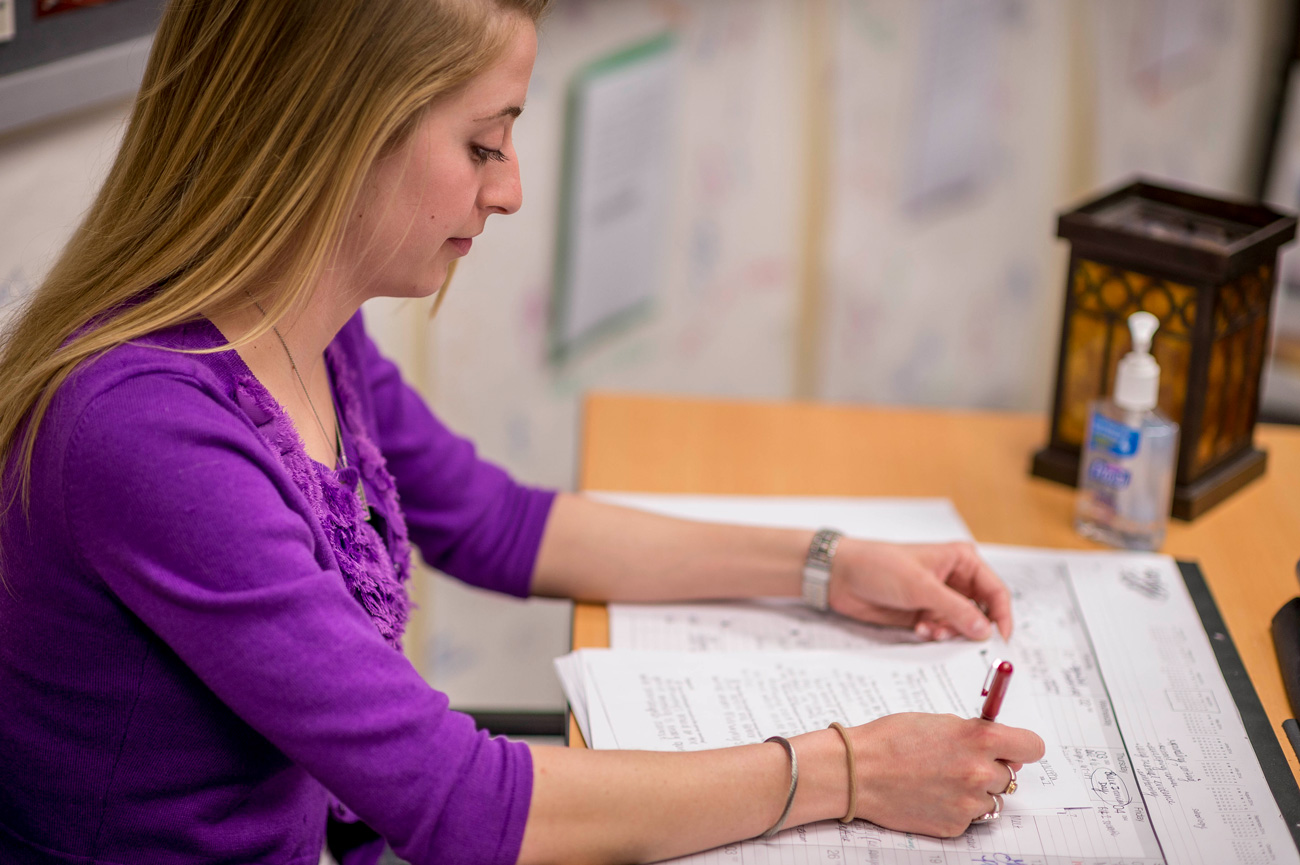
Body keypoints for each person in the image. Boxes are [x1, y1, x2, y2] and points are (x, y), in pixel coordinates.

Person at [0, 1, 1044, 863]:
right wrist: (850, 770)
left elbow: (499, 523)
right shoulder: (147, 435)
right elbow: (460, 802)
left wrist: (826, 563)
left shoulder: (302, 334)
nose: (508, 189)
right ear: (336, 129)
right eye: (483, 144)